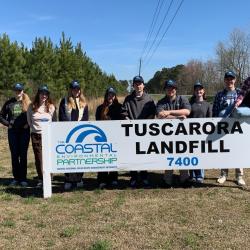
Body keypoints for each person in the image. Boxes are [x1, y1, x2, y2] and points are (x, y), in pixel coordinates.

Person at [121, 75, 156, 188]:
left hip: (145, 132)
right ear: (133, 85)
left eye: (140, 83)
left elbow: (152, 114)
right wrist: (129, 121)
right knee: (132, 155)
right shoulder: (128, 99)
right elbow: (124, 113)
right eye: (136, 83)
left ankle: (144, 177)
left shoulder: (149, 99)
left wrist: (144, 124)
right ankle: (134, 177)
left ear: (143, 85)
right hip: (131, 132)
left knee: (144, 154)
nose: (138, 85)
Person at [212, 70, 246, 186]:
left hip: (238, 127)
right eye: (227, 79)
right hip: (223, 127)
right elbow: (215, 111)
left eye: (231, 79)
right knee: (224, 150)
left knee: (238, 151)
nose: (229, 81)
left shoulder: (241, 93)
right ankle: (223, 174)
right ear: (224, 80)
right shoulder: (219, 95)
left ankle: (239, 176)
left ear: (235, 80)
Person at [156, 79, 191, 187]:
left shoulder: (182, 99)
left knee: (183, 156)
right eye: (168, 88)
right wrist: (177, 117)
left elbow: (187, 111)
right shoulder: (161, 102)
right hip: (167, 136)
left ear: (175, 89)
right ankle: (167, 180)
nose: (170, 90)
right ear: (165, 90)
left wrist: (169, 113)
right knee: (169, 157)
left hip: (182, 135)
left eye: (172, 88)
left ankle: (184, 179)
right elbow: (160, 115)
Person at [59, 80, 89, 190]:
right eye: (74, 88)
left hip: (80, 134)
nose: (76, 91)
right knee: (68, 157)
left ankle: (79, 178)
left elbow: (85, 118)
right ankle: (68, 178)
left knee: (80, 157)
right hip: (68, 134)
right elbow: (61, 117)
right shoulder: (64, 101)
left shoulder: (84, 102)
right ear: (70, 90)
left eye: (77, 88)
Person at [0, 83, 31, 187]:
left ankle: (23, 179)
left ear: (22, 91)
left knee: (23, 155)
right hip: (12, 132)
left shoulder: (28, 102)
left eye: (19, 90)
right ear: (14, 91)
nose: (18, 92)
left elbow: (32, 116)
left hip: (24, 132)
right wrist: (8, 124)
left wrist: (28, 124)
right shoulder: (9, 103)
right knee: (14, 155)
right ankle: (16, 178)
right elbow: (1, 116)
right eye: (16, 90)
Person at [27, 85, 56, 187]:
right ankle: (41, 178)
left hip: (48, 135)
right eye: (42, 93)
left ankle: (49, 177)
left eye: (46, 93)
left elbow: (54, 122)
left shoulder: (51, 107)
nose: (44, 95)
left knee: (49, 158)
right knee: (39, 158)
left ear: (48, 95)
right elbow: (29, 122)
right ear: (38, 94)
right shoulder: (31, 107)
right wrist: (36, 129)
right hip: (36, 135)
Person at [95, 87, 122, 189]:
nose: (110, 96)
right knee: (103, 158)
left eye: (112, 95)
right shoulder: (100, 108)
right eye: (108, 94)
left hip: (115, 137)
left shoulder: (119, 107)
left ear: (115, 96)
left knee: (114, 158)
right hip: (103, 137)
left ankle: (114, 178)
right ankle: (102, 179)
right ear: (106, 96)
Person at [189, 82, 212, 183]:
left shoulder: (208, 105)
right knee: (191, 154)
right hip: (191, 134)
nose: (199, 91)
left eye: (200, 89)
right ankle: (192, 175)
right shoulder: (190, 104)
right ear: (194, 92)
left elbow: (210, 119)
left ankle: (200, 175)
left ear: (203, 91)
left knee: (200, 155)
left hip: (203, 135)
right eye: (196, 89)